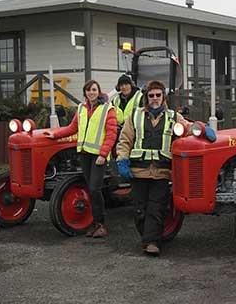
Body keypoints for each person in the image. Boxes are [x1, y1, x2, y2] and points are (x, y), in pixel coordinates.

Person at [115, 80, 203, 256]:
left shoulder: (173, 117)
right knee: (140, 209)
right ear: (147, 98)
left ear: (163, 97)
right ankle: (148, 237)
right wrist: (122, 160)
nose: (154, 98)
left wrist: (203, 128)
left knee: (156, 207)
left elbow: (189, 128)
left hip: (162, 172)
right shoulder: (135, 116)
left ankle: (152, 242)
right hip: (139, 171)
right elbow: (125, 140)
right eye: (151, 95)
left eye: (158, 95)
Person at [44, 79, 117, 238]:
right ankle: (93, 223)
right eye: (89, 90)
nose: (91, 92)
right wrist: (54, 134)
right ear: (85, 93)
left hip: (98, 156)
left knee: (94, 189)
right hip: (84, 154)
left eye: (94, 90)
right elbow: (72, 128)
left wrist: (103, 154)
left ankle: (101, 224)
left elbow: (111, 134)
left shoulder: (107, 110)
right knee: (89, 188)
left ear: (99, 92)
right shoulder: (81, 109)